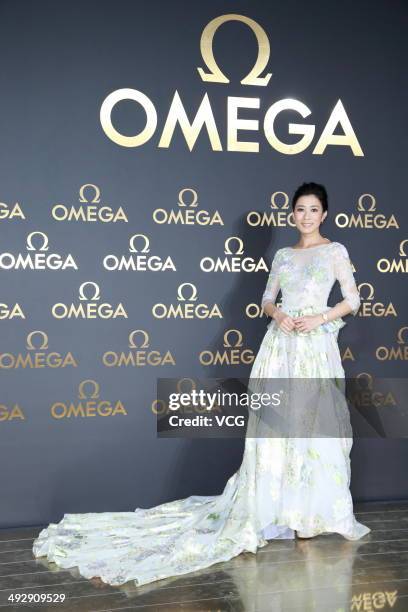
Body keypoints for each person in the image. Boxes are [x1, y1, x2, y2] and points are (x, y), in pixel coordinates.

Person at [32, 182, 371, 587]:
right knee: (276, 431)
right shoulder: (282, 255)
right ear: (292, 214)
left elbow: (352, 300)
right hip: (280, 347)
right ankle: (277, 508)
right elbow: (266, 299)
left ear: (324, 214)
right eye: (300, 209)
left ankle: (311, 514)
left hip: (315, 349)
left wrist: (318, 318)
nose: (307, 216)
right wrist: (277, 314)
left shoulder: (335, 252)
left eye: (314, 209)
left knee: (313, 430)